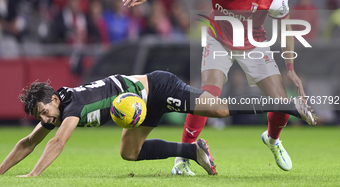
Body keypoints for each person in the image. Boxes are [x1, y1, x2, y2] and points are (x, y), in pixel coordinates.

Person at [123, 0, 307, 174]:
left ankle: (272, 140)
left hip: (253, 44)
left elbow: (285, 26)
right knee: (207, 98)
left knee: (281, 105)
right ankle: (182, 160)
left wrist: (290, 68)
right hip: (218, 38)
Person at [0, 70, 316, 177]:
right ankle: (193, 152)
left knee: (218, 110)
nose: (44, 120)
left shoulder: (70, 106)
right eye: (40, 117)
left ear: (54, 99)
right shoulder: (57, 108)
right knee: (130, 152)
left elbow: (57, 143)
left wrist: (34, 175)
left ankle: (288, 105)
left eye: (44, 113)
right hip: (140, 103)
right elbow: (28, 141)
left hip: (159, 88)